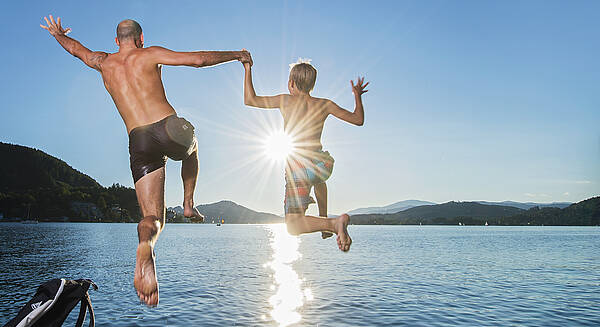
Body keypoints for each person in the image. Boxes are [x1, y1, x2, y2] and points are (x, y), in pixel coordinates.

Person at [41, 16, 251, 305]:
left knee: (153, 218)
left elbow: (77, 50)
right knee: (193, 147)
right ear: (140, 38)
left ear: (116, 41)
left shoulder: (104, 62)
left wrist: (57, 35)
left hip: (137, 140)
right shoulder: (149, 53)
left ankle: (145, 245)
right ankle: (189, 204)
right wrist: (237, 55)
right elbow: (199, 60)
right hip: (166, 126)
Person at [242, 56, 367, 251]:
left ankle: (332, 224)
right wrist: (357, 96)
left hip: (298, 169)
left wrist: (247, 68)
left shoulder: (286, 101)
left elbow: (250, 100)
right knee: (318, 179)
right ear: (312, 85)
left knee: (293, 226)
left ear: (291, 83)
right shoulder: (325, 104)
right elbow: (358, 119)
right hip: (322, 165)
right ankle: (324, 219)